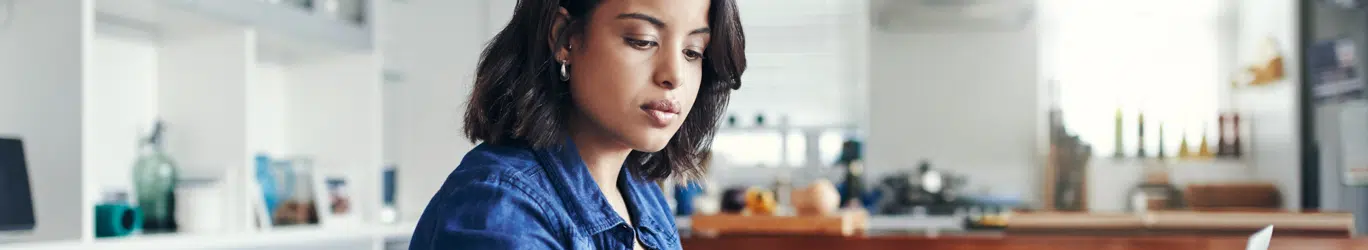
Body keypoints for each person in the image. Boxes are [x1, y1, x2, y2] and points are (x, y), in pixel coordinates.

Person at [408, 0, 745, 249]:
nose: (674, 75)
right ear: (565, 38)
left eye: (693, 51)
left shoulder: (643, 197)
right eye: (643, 40)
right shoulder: (499, 206)